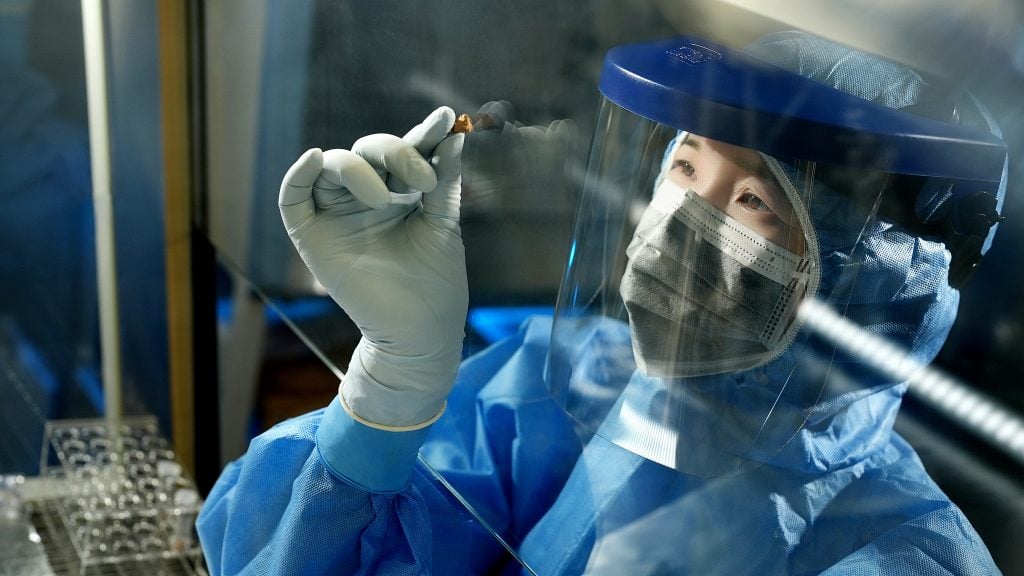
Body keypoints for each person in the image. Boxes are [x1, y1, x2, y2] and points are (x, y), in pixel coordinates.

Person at [196, 31, 1007, 575]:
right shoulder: (571, 388)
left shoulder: (902, 554)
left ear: (867, 281)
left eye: (754, 201)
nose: (684, 223)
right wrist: (390, 387)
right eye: (685, 170)